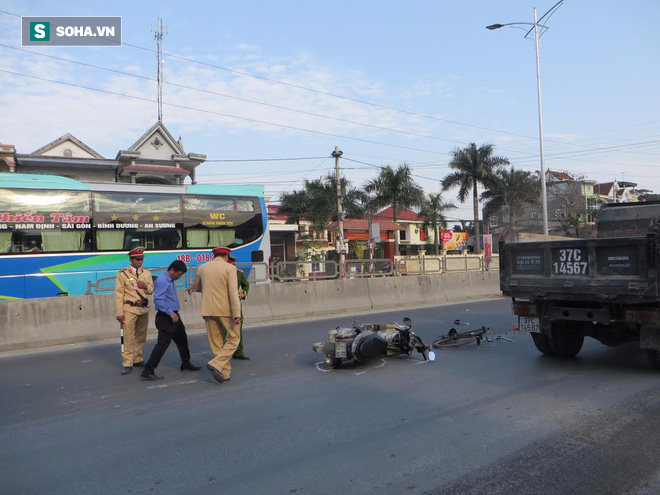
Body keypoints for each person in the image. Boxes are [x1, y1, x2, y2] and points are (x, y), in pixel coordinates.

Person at [141, 260, 201, 381]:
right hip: (166, 316)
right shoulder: (163, 281)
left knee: (182, 339)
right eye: (178, 274)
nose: (179, 277)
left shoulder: (170, 279)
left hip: (173, 315)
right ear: (172, 270)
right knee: (162, 345)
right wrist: (170, 313)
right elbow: (158, 300)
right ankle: (148, 370)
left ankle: (186, 363)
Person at [188, 246, 241, 384]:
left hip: (208, 309)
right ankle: (217, 364)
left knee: (216, 342)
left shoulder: (202, 267)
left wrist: (193, 288)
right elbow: (233, 292)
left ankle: (224, 373)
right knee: (234, 339)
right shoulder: (230, 268)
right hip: (225, 310)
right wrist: (237, 313)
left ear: (214, 256)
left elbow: (197, 286)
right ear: (227, 257)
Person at [115, 246, 154, 375]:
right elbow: (119, 294)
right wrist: (119, 312)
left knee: (141, 336)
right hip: (129, 308)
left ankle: (138, 358)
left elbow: (151, 290)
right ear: (131, 259)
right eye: (137, 259)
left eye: (141, 259)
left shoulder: (146, 273)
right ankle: (127, 362)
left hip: (143, 308)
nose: (139, 262)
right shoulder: (122, 274)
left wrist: (146, 286)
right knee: (128, 337)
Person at [228, 255, 250, 360]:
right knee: (223, 329)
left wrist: (243, 294)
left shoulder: (239, 274)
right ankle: (223, 354)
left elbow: (246, 285)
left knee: (237, 328)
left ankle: (238, 352)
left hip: (236, 304)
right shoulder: (221, 273)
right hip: (223, 304)